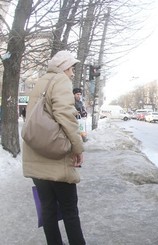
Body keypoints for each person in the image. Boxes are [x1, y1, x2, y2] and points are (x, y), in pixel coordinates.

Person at [22, 50, 86, 245]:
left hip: (36, 156)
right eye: (71, 68)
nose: (73, 73)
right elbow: (66, 117)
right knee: (69, 211)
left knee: (48, 211)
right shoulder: (61, 81)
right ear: (64, 67)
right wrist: (78, 147)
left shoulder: (41, 82)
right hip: (57, 158)